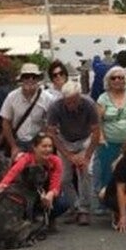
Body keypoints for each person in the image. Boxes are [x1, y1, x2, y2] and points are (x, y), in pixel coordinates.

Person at [0, 132, 66, 250]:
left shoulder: (56, 161)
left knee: (63, 202)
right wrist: (2, 185)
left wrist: (50, 195)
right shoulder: (26, 158)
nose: (47, 149)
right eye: (44, 146)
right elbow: (13, 172)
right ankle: (29, 226)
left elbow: (55, 183)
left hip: (45, 192)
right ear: (34, 148)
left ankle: (47, 219)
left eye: (50, 146)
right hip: (28, 193)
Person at [45, 82, 101, 226]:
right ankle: (74, 206)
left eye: (74, 101)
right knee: (64, 177)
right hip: (65, 140)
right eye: (68, 102)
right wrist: (68, 155)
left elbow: (96, 131)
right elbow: (51, 133)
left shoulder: (89, 104)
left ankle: (84, 209)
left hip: (85, 139)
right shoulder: (55, 107)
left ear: (79, 97)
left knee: (86, 172)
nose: (71, 105)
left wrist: (86, 156)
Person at [95, 66, 126, 206]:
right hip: (110, 142)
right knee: (108, 173)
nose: (117, 80)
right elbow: (98, 121)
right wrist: (101, 137)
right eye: (114, 78)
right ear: (108, 81)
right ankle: (107, 202)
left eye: (121, 77)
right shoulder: (103, 98)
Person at [0, 63, 51, 155]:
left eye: (34, 77)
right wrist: (13, 146)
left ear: (38, 79)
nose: (30, 80)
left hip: (39, 143)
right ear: (21, 79)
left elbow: (51, 123)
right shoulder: (12, 97)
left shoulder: (47, 98)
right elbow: (5, 122)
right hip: (18, 142)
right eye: (26, 77)